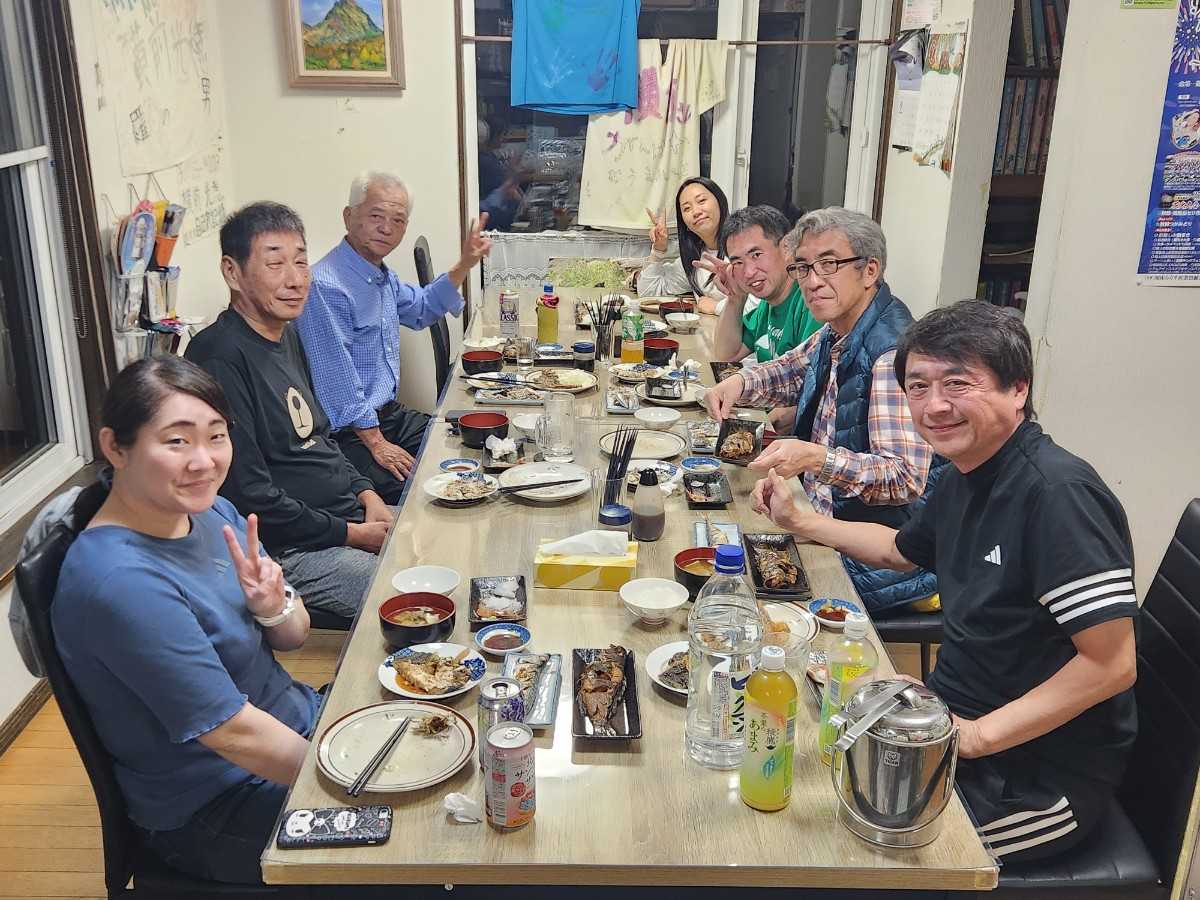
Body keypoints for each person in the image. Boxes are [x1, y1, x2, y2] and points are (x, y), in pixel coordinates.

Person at [751, 300, 1138, 864]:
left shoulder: (1058, 496)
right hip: (948, 720)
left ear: (1018, 389)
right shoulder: (966, 473)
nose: (934, 405)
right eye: (918, 387)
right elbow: (898, 551)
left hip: (1033, 778)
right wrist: (799, 521)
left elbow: (1111, 665)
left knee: (832, 852)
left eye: (958, 383)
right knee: (790, 767)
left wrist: (974, 738)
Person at [53, 356, 322, 885]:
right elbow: (233, 735)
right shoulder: (121, 581)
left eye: (216, 436)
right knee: (434, 848)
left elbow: (296, 636)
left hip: (296, 727)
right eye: (176, 441)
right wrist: (352, 777)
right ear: (116, 447)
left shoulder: (211, 512)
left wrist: (273, 607)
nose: (204, 461)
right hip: (219, 802)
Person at [704, 207, 938, 615]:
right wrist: (739, 383)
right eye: (803, 267)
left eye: (829, 264)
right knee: (714, 533)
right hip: (821, 516)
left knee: (730, 596)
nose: (812, 281)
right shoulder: (839, 328)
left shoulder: (890, 355)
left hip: (879, 556)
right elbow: (792, 368)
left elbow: (904, 480)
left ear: (870, 271)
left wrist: (816, 459)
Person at [186, 201, 390, 620]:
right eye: (275, 264)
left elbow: (320, 436)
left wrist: (367, 493)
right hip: (291, 550)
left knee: (445, 534)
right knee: (417, 591)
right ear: (232, 272)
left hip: (346, 518)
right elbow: (249, 496)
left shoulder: (287, 334)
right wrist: (352, 534)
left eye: (300, 261)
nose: (295, 280)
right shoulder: (219, 357)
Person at [296, 171, 492, 505]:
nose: (387, 228)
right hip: (350, 434)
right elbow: (336, 380)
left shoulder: (377, 274)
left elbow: (423, 308)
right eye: (376, 216)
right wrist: (377, 443)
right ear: (348, 216)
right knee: (429, 494)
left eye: (398, 220)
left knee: (468, 449)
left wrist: (465, 263)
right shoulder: (327, 285)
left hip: (388, 416)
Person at [700, 204, 820, 364]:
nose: (748, 272)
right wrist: (735, 297)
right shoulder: (766, 305)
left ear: (786, 247)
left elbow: (807, 375)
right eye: (738, 262)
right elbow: (726, 355)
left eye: (756, 255)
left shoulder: (811, 301)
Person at [637, 176, 730, 314]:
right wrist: (658, 250)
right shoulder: (693, 260)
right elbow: (648, 292)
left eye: (701, 201)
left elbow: (760, 304)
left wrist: (717, 307)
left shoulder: (744, 248)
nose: (696, 212)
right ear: (684, 223)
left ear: (720, 202)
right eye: (687, 208)